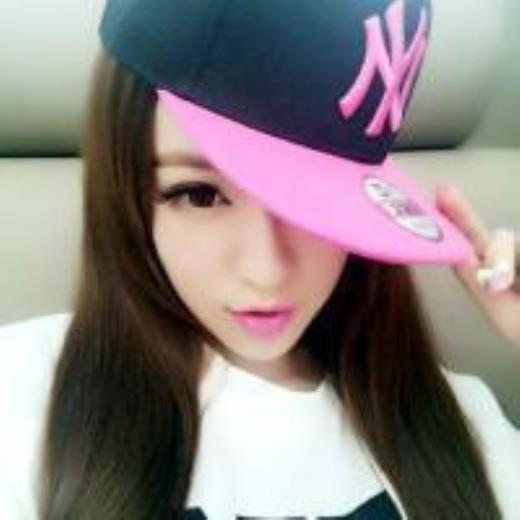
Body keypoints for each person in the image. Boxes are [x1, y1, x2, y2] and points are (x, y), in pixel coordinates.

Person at [1, 0, 519, 518]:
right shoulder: (23, 395)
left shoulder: (460, 419)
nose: (266, 271)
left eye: (315, 201)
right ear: (124, 191)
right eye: (199, 196)